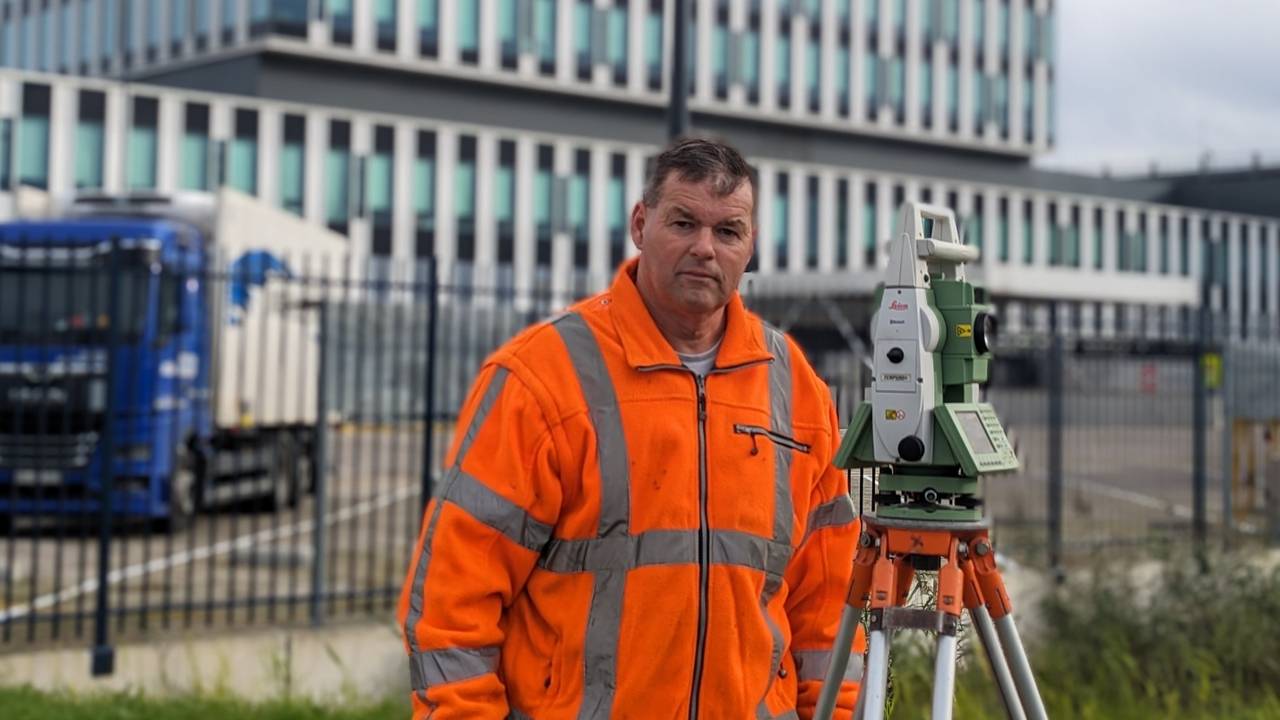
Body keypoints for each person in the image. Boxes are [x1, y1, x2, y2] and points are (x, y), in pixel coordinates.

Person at [397, 137, 864, 719]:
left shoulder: (796, 390)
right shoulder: (541, 378)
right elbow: (451, 603)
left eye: (727, 231)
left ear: (751, 247)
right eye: (683, 222)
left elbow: (830, 609)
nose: (704, 248)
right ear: (641, 225)